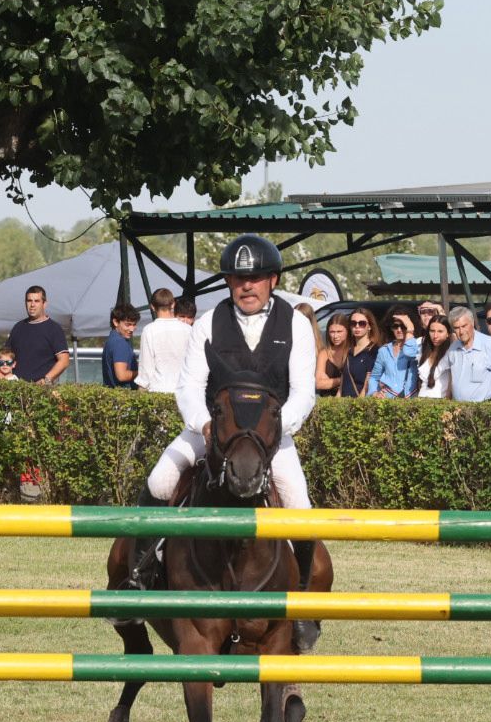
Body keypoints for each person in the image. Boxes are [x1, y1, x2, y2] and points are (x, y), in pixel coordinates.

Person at [134, 234, 319, 601]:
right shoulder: (208, 321)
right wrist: (204, 425)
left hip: (271, 436)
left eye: (255, 277)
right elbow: (188, 386)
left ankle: (303, 597)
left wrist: (276, 429)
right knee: (160, 480)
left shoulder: (295, 325)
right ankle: (140, 576)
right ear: (229, 282)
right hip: (213, 430)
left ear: (273, 280)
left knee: (299, 503)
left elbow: (303, 393)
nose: (246, 285)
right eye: (237, 278)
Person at [7, 285, 70, 384]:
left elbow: (64, 361)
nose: (32, 305)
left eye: (36, 301)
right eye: (29, 301)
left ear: (44, 304)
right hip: (17, 390)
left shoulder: (54, 329)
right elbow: (4, 357)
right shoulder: (18, 327)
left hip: (41, 393)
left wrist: (46, 380)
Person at [135, 287, 190, 393]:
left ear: (152, 307)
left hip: (158, 394)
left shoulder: (149, 330)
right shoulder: (188, 329)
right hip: (185, 391)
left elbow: (145, 371)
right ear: (173, 304)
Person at [444, 305, 491, 401]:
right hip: (457, 408)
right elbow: (451, 380)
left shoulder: (489, 344)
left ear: (472, 323)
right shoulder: (453, 348)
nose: (461, 331)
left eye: (464, 326)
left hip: (483, 408)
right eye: (456, 328)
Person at [366, 306, 420, 398]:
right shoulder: (384, 350)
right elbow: (375, 377)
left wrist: (410, 330)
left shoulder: (417, 345)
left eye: (403, 326)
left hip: (410, 400)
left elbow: (409, 353)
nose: (399, 330)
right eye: (395, 326)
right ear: (391, 328)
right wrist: (374, 393)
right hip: (387, 400)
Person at [340, 306, 379, 396]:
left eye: (362, 323)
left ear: (369, 326)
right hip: (342, 405)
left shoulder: (375, 351)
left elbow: (367, 385)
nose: (357, 326)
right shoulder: (348, 349)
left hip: (360, 405)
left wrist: (359, 406)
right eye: (353, 323)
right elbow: (343, 383)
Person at [102, 303, 139, 388]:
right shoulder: (120, 343)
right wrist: (144, 372)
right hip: (124, 397)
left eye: (134, 324)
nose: (132, 329)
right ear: (115, 322)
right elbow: (121, 376)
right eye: (128, 324)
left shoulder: (112, 339)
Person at [415, 316, 453, 399]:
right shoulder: (422, 347)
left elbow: (452, 383)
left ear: (448, 333)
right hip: (421, 399)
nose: (435, 335)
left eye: (440, 331)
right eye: (432, 331)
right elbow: (407, 351)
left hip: (441, 401)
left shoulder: (451, 352)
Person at [315, 313, 350, 397]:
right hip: (327, 400)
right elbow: (318, 384)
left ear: (347, 331)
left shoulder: (352, 351)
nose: (335, 336)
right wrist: (341, 380)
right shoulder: (324, 353)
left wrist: (329, 382)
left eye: (339, 332)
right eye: (332, 332)